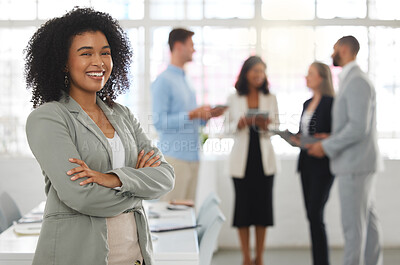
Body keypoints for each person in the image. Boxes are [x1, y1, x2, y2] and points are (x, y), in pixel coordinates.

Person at [24, 8, 174, 265]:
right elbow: (81, 196)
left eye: (105, 52)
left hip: (134, 256)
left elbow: (165, 176)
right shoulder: (49, 118)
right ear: (63, 62)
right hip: (78, 256)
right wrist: (138, 185)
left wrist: (110, 179)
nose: (99, 62)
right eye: (86, 53)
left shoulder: (122, 114)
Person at [307, 36, 383, 265]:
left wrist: (326, 146)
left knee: (353, 228)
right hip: (357, 163)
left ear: (344, 49)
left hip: (355, 164)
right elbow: (354, 125)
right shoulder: (351, 79)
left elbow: (358, 128)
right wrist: (331, 137)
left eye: (334, 49)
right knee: (367, 222)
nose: (332, 53)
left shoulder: (357, 81)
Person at [151, 28, 225, 202]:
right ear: (178, 46)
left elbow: (190, 119)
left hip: (193, 158)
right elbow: (159, 122)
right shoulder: (163, 81)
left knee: (187, 216)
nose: (194, 49)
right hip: (174, 160)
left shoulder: (187, 80)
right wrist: (191, 114)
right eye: (191, 45)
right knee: (172, 217)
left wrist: (205, 116)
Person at [225, 56, 279, 265]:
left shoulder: (270, 97)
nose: (258, 75)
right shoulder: (234, 98)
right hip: (242, 163)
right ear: (246, 72)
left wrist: (267, 125)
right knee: (243, 211)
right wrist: (240, 123)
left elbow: (276, 125)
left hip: (265, 162)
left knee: (263, 212)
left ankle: (260, 257)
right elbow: (225, 128)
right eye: (255, 71)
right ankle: (246, 257)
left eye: (262, 71)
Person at [291, 62, 335, 265]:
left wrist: (325, 139)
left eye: (310, 74)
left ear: (322, 78)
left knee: (315, 214)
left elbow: (338, 134)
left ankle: (322, 262)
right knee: (311, 215)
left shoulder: (331, 102)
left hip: (323, 166)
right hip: (306, 163)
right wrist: (296, 138)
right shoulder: (306, 103)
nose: (306, 77)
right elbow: (306, 133)